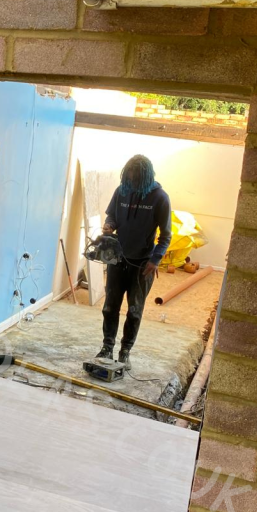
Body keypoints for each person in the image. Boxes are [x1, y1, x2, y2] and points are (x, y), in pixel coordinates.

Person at [95, 155, 171, 371]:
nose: (132, 183)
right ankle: (107, 348)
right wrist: (109, 225)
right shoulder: (122, 191)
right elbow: (112, 216)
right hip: (117, 259)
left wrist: (155, 260)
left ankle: (125, 352)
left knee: (134, 310)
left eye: (136, 179)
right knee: (110, 307)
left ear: (146, 177)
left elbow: (166, 236)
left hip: (142, 265)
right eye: (129, 178)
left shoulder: (160, 198)